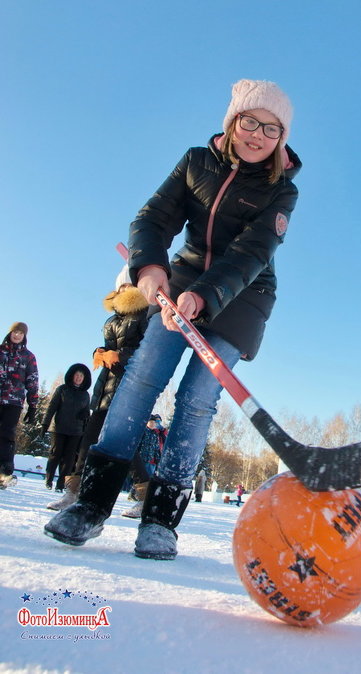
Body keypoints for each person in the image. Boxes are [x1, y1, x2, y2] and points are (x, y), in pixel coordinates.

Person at [45, 78, 302, 561]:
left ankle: (162, 519)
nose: (258, 135)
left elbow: (252, 253)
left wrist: (204, 297)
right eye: (250, 121)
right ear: (232, 122)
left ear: (281, 139)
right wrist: (150, 268)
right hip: (181, 278)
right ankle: (91, 504)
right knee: (141, 379)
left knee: (197, 398)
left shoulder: (282, 191)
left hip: (243, 296)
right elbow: (152, 218)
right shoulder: (195, 162)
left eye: (272, 129)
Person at [46, 282, 149, 511]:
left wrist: (121, 356)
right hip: (105, 385)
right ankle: (73, 492)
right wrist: (99, 352)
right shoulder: (113, 319)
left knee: (123, 442)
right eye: (120, 287)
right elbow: (108, 345)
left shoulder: (143, 316)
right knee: (88, 440)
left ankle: (144, 494)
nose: (123, 290)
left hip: (127, 385)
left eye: (128, 287)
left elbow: (147, 353)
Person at [0, 322, 39, 488]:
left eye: (20, 333)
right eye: (14, 332)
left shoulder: (28, 357)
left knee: (7, 434)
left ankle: (4, 472)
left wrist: (33, 405)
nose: (17, 335)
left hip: (14, 402)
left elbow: (32, 380)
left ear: (24, 336)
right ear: (9, 333)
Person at [41, 364, 92, 490]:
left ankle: (61, 484)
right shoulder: (62, 390)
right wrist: (45, 424)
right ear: (72, 376)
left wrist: (86, 415)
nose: (79, 378)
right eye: (77, 375)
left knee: (69, 460)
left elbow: (86, 413)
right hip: (59, 428)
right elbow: (52, 407)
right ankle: (49, 478)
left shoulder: (85, 395)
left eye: (81, 376)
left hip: (76, 431)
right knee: (55, 454)